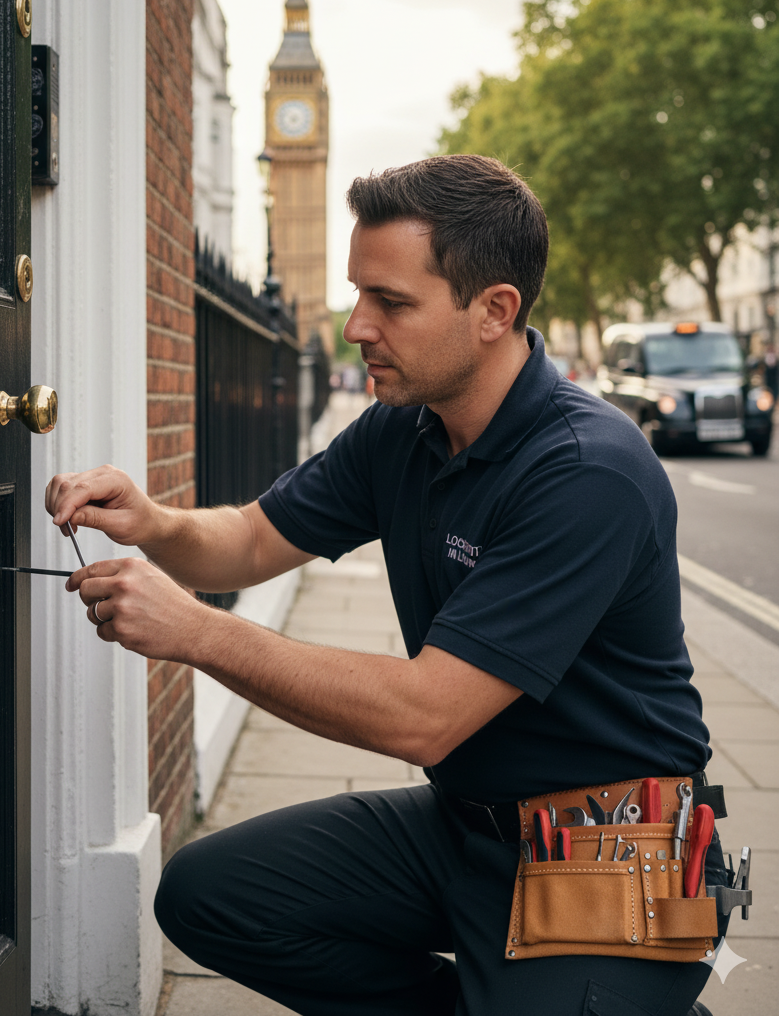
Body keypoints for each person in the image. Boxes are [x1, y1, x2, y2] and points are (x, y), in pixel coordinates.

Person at [46, 156, 725, 1015]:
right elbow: (253, 540)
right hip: (465, 826)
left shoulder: (589, 473)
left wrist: (194, 632)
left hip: (608, 847)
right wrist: (153, 523)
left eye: (391, 303)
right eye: (358, 294)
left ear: (495, 311)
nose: (356, 326)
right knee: (208, 895)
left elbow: (424, 716)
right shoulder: (404, 427)